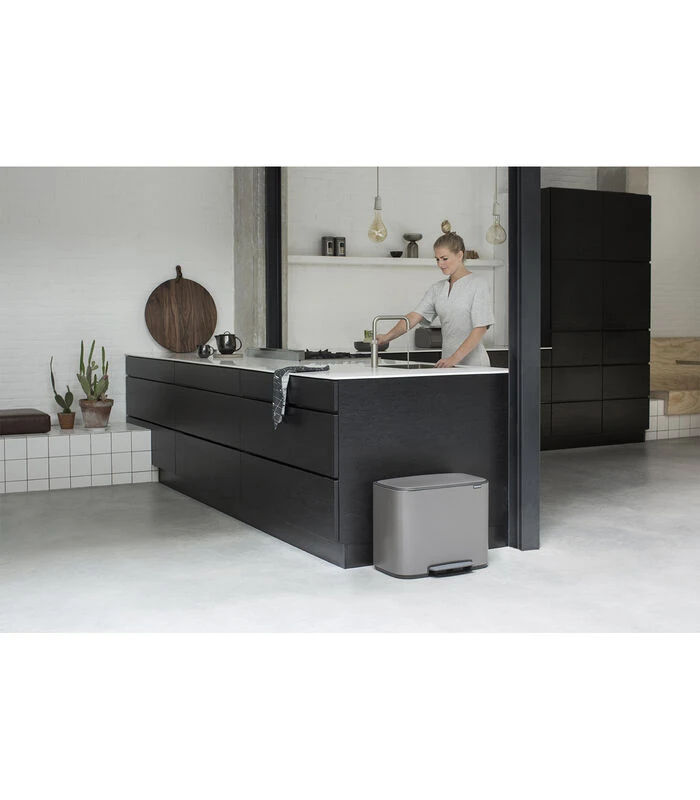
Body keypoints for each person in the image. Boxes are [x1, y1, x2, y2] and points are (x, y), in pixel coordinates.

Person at [375, 230, 495, 367]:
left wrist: (453, 359)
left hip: (475, 365)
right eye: (437, 259)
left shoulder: (478, 283)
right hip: (447, 364)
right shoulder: (437, 288)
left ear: (459, 255)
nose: (440, 264)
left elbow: (480, 328)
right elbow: (414, 316)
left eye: (444, 258)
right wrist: (387, 337)